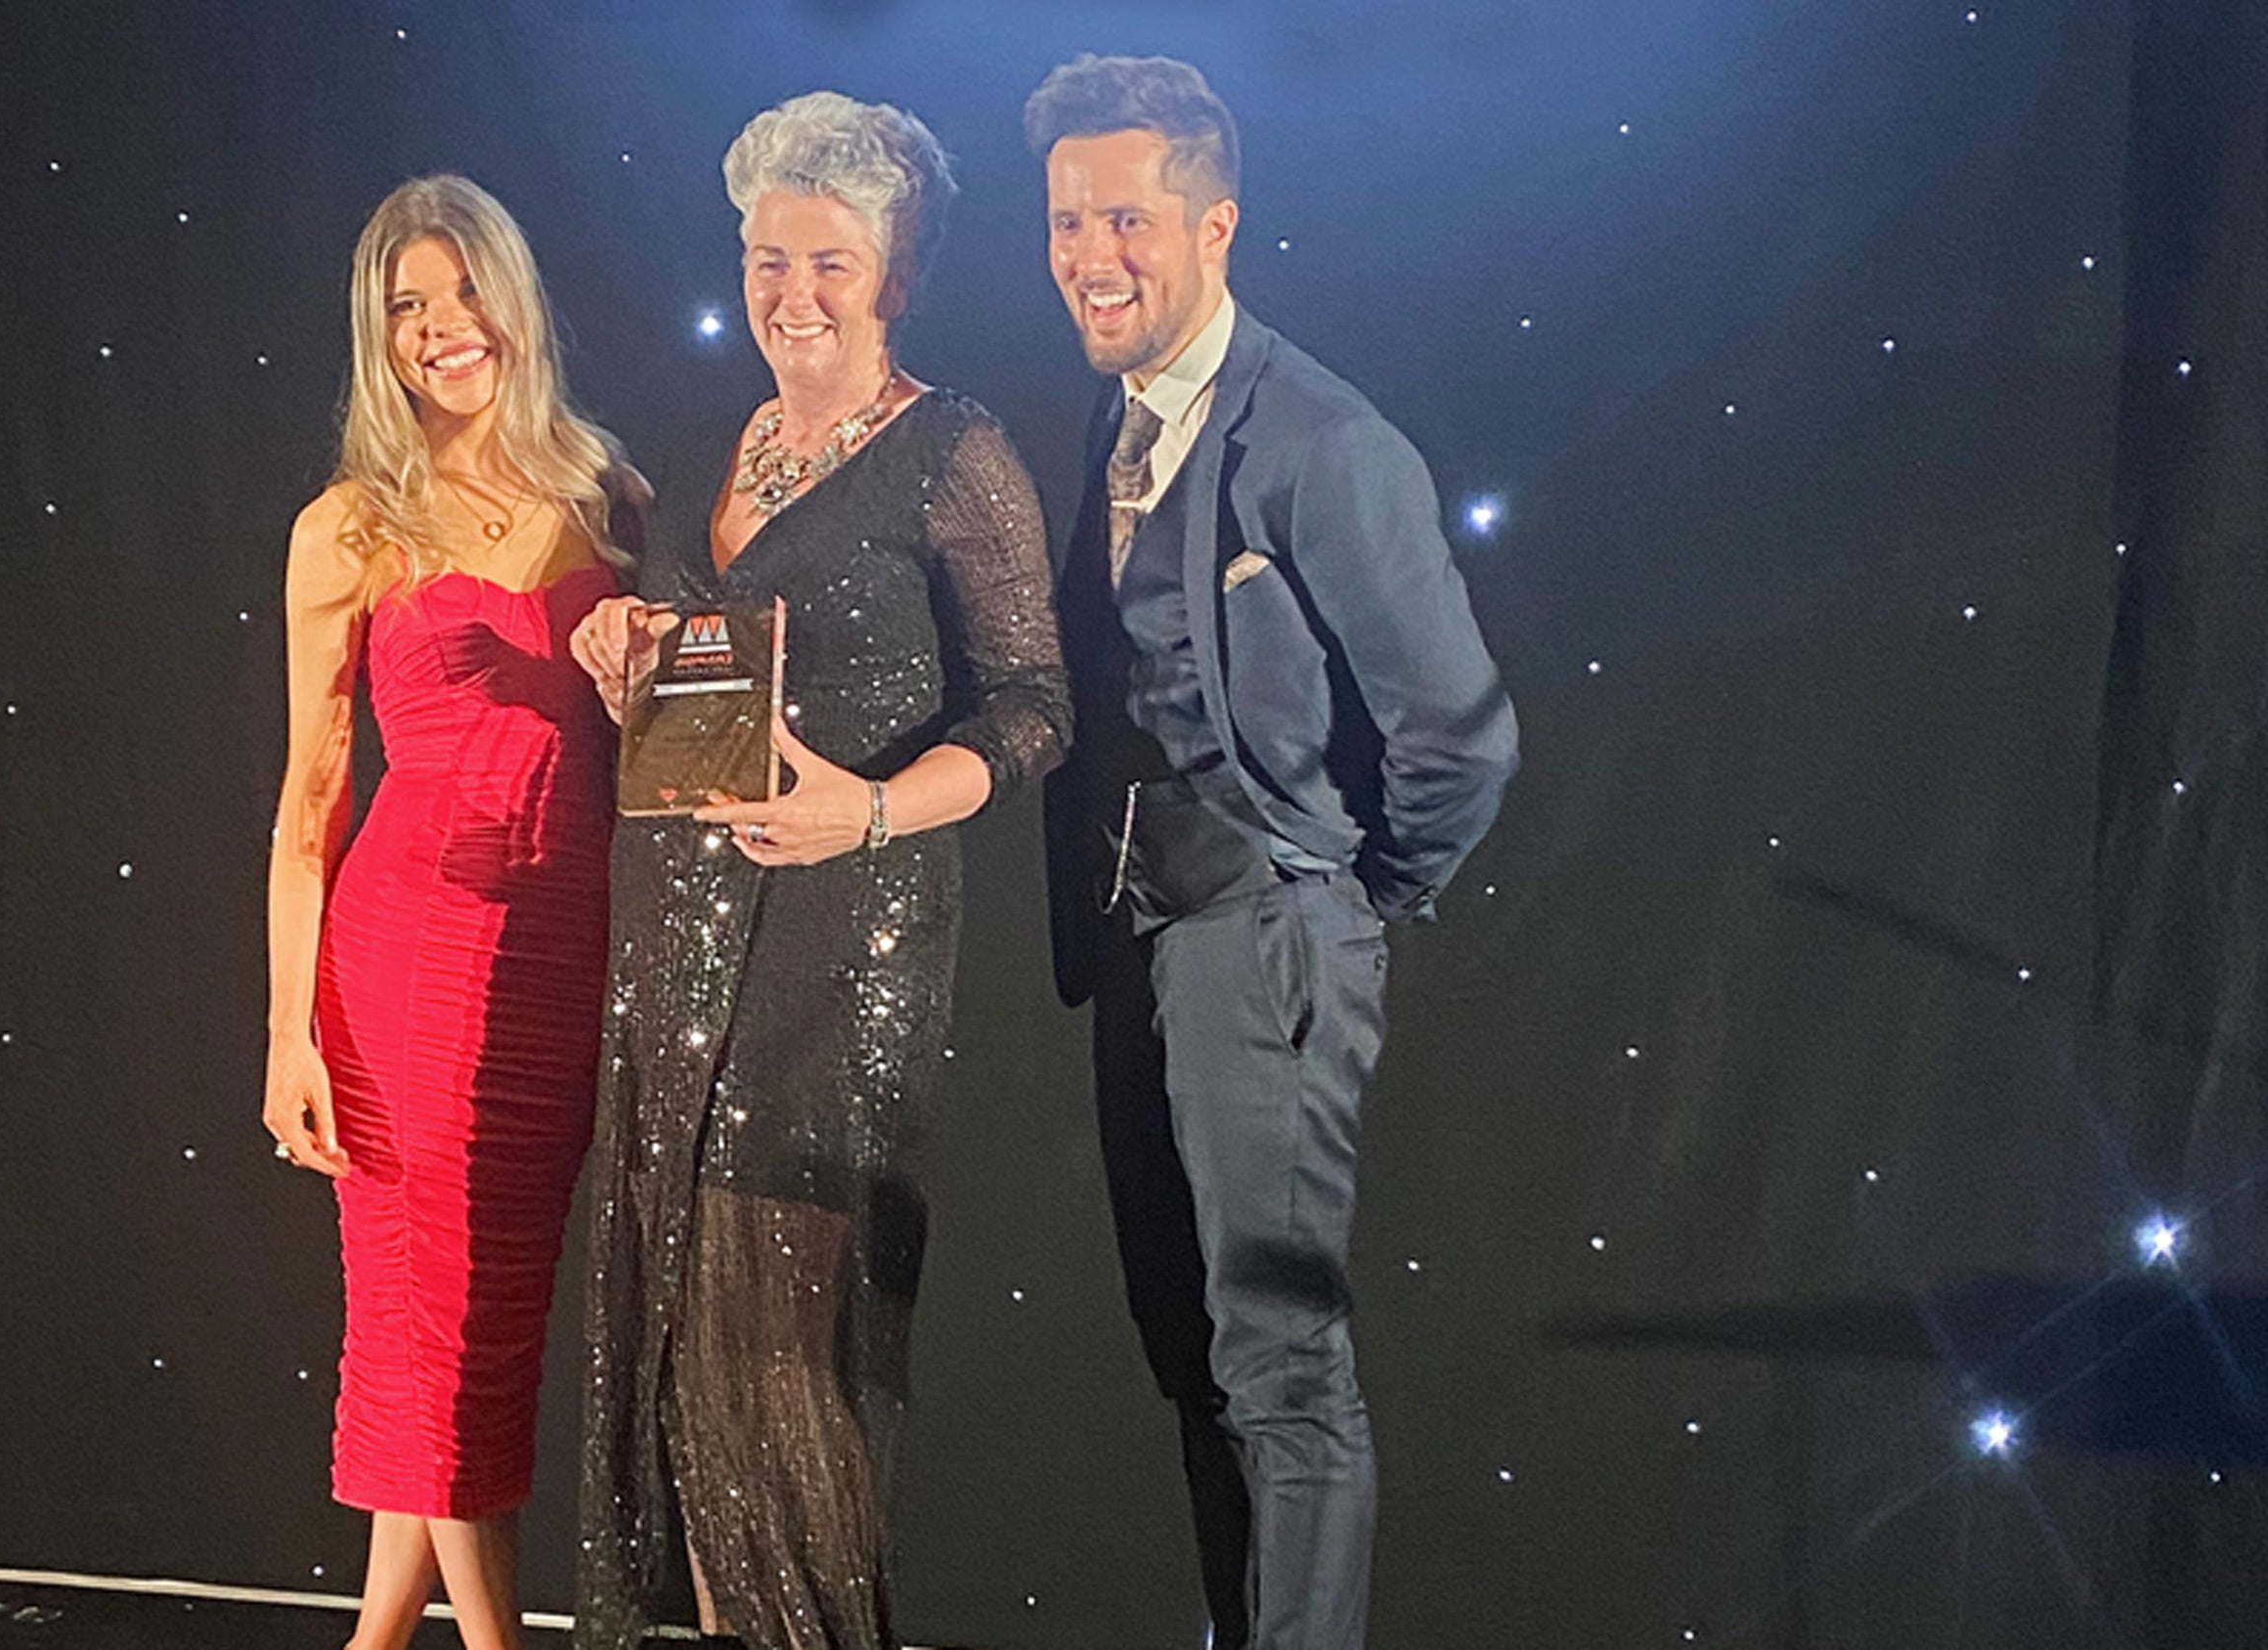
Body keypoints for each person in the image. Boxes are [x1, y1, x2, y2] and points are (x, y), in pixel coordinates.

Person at [566, 91, 1070, 1650]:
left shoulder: (954, 450)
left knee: (781, 1352)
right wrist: (619, 649)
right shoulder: (713, 436)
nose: (792, 292)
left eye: (830, 263)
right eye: (768, 257)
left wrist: (868, 810)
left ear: (895, 273)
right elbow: (700, 676)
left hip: (841, 939)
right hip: (677, 936)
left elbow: (1038, 706)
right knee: (678, 1358)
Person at [1027, 55, 1519, 1650]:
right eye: (1067, 221)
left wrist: (1349, 903)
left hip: (1269, 937)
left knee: (1283, 1365)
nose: (1092, 253)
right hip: (1136, 945)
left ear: (1217, 224)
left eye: (1126, 218)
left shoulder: (1326, 443)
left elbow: (1460, 734)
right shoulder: (1099, 423)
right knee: (1192, 1353)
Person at [261, 173, 645, 1650]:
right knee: (433, 1309)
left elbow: (662, 739)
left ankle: (376, 1639)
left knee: (484, 1317)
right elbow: (306, 806)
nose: (439, 328)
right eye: (405, 308)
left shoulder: (608, 499)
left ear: (513, 300)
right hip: (405, 949)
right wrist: (288, 1032)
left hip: (561, 952)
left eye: (460, 291)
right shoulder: (349, 528)